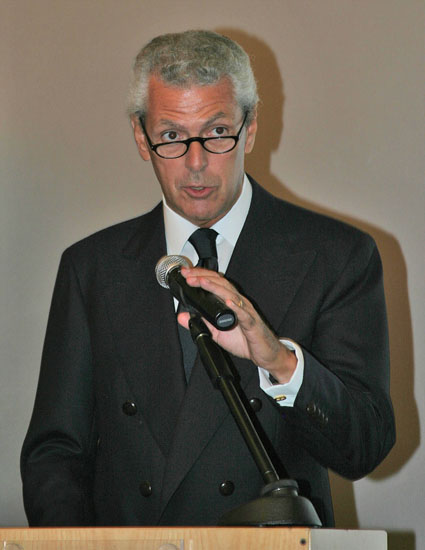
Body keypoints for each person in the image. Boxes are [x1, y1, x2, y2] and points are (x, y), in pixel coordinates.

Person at [21, 30, 395, 528]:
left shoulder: (336, 256)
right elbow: (55, 454)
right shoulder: (92, 268)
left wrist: (280, 362)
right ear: (141, 138)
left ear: (250, 128)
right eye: (172, 137)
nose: (196, 163)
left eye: (217, 132)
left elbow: (364, 448)